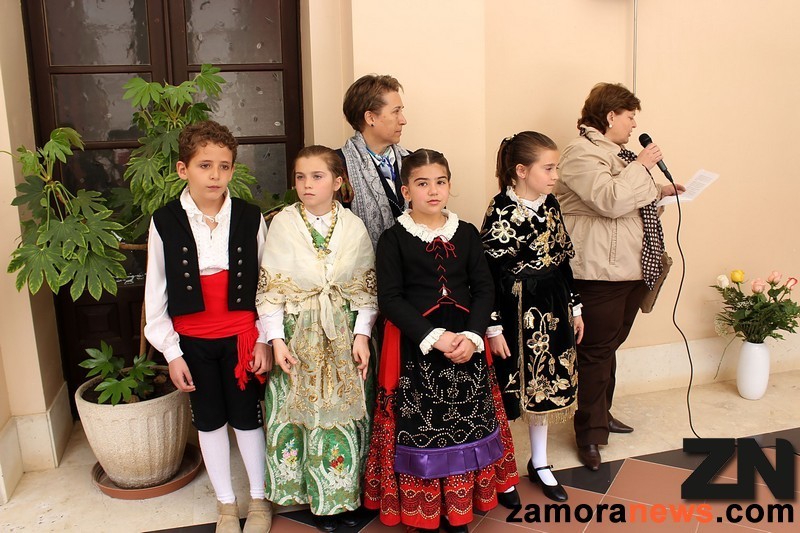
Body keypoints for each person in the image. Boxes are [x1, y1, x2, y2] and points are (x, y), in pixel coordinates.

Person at [363, 149, 519, 533]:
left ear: (449, 185)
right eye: (422, 183)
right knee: (426, 427)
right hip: (419, 345)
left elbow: (484, 288)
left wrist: (471, 335)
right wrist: (434, 337)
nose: (433, 191)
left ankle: (464, 502)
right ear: (405, 190)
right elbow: (390, 298)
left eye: (440, 182)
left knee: (469, 420)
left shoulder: (466, 233)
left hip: (466, 342)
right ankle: (430, 508)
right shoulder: (393, 239)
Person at [144, 120, 272, 533]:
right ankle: (224, 505)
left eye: (224, 166)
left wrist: (266, 339)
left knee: (248, 420)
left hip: (241, 340)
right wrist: (172, 352)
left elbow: (268, 286)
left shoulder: (251, 218)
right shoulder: (164, 221)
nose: (215, 175)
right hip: (193, 343)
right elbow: (156, 291)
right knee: (210, 421)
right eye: (204, 166)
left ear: (233, 170)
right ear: (184, 170)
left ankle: (258, 501)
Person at [555, 83, 684, 471]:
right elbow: (610, 200)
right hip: (599, 271)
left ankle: (602, 414)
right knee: (594, 351)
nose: (633, 125)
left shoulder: (622, 156)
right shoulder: (581, 153)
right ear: (610, 116)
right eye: (630, 117)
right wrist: (642, 168)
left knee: (608, 347)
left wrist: (660, 192)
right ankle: (590, 434)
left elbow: (626, 200)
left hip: (630, 266)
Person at [256, 145, 378, 532]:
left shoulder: (354, 227)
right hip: (298, 333)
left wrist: (362, 336)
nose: (307, 185)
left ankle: (346, 496)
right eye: (300, 177)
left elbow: (366, 290)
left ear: (338, 182)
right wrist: (276, 340)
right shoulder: (283, 225)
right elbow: (271, 289)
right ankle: (312, 496)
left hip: (343, 333)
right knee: (304, 415)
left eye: (317, 176)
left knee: (345, 417)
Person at [481, 132, 583, 502]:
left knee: (544, 385)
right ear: (521, 170)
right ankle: (503, 472)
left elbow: (564, 259)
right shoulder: (500, 209)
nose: (555, 175)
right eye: (549, 168)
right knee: (510, 388)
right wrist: (492, 325)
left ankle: (540, 462)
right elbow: (488, 273)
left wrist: (575, 306)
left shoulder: (551, 203)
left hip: (552, 308)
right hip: (513, 310)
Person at [337, 74, 410, 249]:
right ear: (370, 118)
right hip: (361, 271)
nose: (403, 120)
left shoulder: (415, 162)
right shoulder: (336, 166)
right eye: (396, 111)